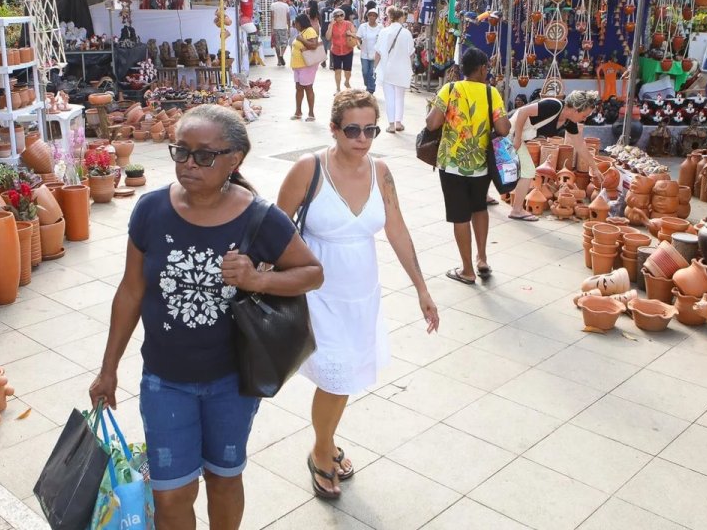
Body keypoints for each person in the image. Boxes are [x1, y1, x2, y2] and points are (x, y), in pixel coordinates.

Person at [87, 104, 323, 530]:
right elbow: (131, 291)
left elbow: (313, 273)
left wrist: (257, 280)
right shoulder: (151, 210)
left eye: (204, 155)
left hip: (232, 383)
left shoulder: (260, 217)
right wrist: (108, 370)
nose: (189, 164)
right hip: (164, 380)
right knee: (172, 491)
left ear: (235, 159)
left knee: (223, 478)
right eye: (181, 152)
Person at [277, 90, 438, 500]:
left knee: (344, 377)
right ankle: (320, 452)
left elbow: (396, 228)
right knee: (336, 377)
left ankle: (327, 442)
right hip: (318, 294)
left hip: (363, 294)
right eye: (352, 129)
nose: (362, 138)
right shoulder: (308, 169)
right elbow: (275, 229)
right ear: (333, 129)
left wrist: (422, 288)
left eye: (371, 129)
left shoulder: (381, 171)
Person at [425, 48, 510, 284]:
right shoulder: (491, 93)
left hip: (451, 165)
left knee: (459, 216)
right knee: (479, 208)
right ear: (482, 68)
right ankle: (482, 259)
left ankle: (467, 271)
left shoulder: (450, 89)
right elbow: (503, 129)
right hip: (481, 165)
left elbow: (432, 124)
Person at [507, 90, 602, 222]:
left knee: (521, 169)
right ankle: (515, 209)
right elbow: (523, 112)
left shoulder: (569, 122)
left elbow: (580, 146)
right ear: (575, 109)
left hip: (516, 137)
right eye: (584, 115)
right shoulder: (554, 105)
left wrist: (595, 168)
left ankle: (513, 208)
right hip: (508, 131)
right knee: (526, 170)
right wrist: (517, 138)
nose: (584, 119)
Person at [373, 7, 413, 133]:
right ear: (401, 17)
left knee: (389, 97)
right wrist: (410, 68)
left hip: (386, 69)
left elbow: (378, 53)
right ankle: (398, 123)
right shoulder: (407, 33)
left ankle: (391, 125)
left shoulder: (384, 32)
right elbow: (411, 53)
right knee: (400, 97)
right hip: (402, 69)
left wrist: (375, 67)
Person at [290, 13, 321, 122]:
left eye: (296, 23)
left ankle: (311, 113)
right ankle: (298, 112)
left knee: (308, 88)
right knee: (298, 88)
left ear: (300, 23)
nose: (295, 25)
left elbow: (313, 45)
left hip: (306, 66)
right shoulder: (302, 32)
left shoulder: (310, 31)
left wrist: (301, 39)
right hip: (298, 66)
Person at [327, 9, 356, 93]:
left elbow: (356, 35)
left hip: (348, 50)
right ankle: (338, 88)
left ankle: (347, 81)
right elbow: (328, 37)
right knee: (337, 71)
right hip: (336, 51)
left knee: (348, 71)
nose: (340, 17)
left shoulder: (348, 24)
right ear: (334, 17)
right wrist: (331, 25)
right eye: (337, 16)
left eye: (341, 15)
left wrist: (350, 33)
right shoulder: (332, 25)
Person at [356, 9, 382, 94]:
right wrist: (358, 44)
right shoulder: (363, 26)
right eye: (370, 15)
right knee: (365, 71)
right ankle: (367, 84)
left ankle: (370, 89)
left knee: (372, 72)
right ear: (367, 16)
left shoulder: (380, 27)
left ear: (376, 17)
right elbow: (358, 38)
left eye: (374, 15)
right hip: (364, 54)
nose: (372, 17)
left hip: (376, 54)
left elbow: (383, 40)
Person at [271, 0, 292, 66]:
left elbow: (272, 17)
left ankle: (279, 60)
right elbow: (288, 18)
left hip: (276, 27)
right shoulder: (286, 6)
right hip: (283, 27)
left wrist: (272, 28)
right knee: (285, 43)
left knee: (277, 45)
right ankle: (281, 55)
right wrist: (289, 28)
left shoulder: (273, 5)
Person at [319, 0, 335, 68]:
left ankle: (324, 62)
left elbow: (320, 19)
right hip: (332, 31)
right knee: (332, 47)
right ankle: (331, 64)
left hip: (324, 30)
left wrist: (322, 25)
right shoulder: (334, 11)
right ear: (332, 4)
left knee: (324, 47)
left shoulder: (323, 10)